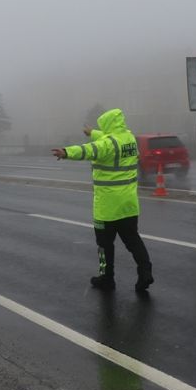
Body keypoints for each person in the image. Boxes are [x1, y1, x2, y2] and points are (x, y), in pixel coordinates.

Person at [51, 108, 154, 292]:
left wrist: (66, 152)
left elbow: (89, 150)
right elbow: (106, 138)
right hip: (129, 205)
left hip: (107, 207)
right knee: (134, 241)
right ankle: (145, 273)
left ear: (107, 125)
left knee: (104, 246)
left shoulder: (107, 144)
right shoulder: (129, 138)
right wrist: (92, 133)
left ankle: (107, 278)